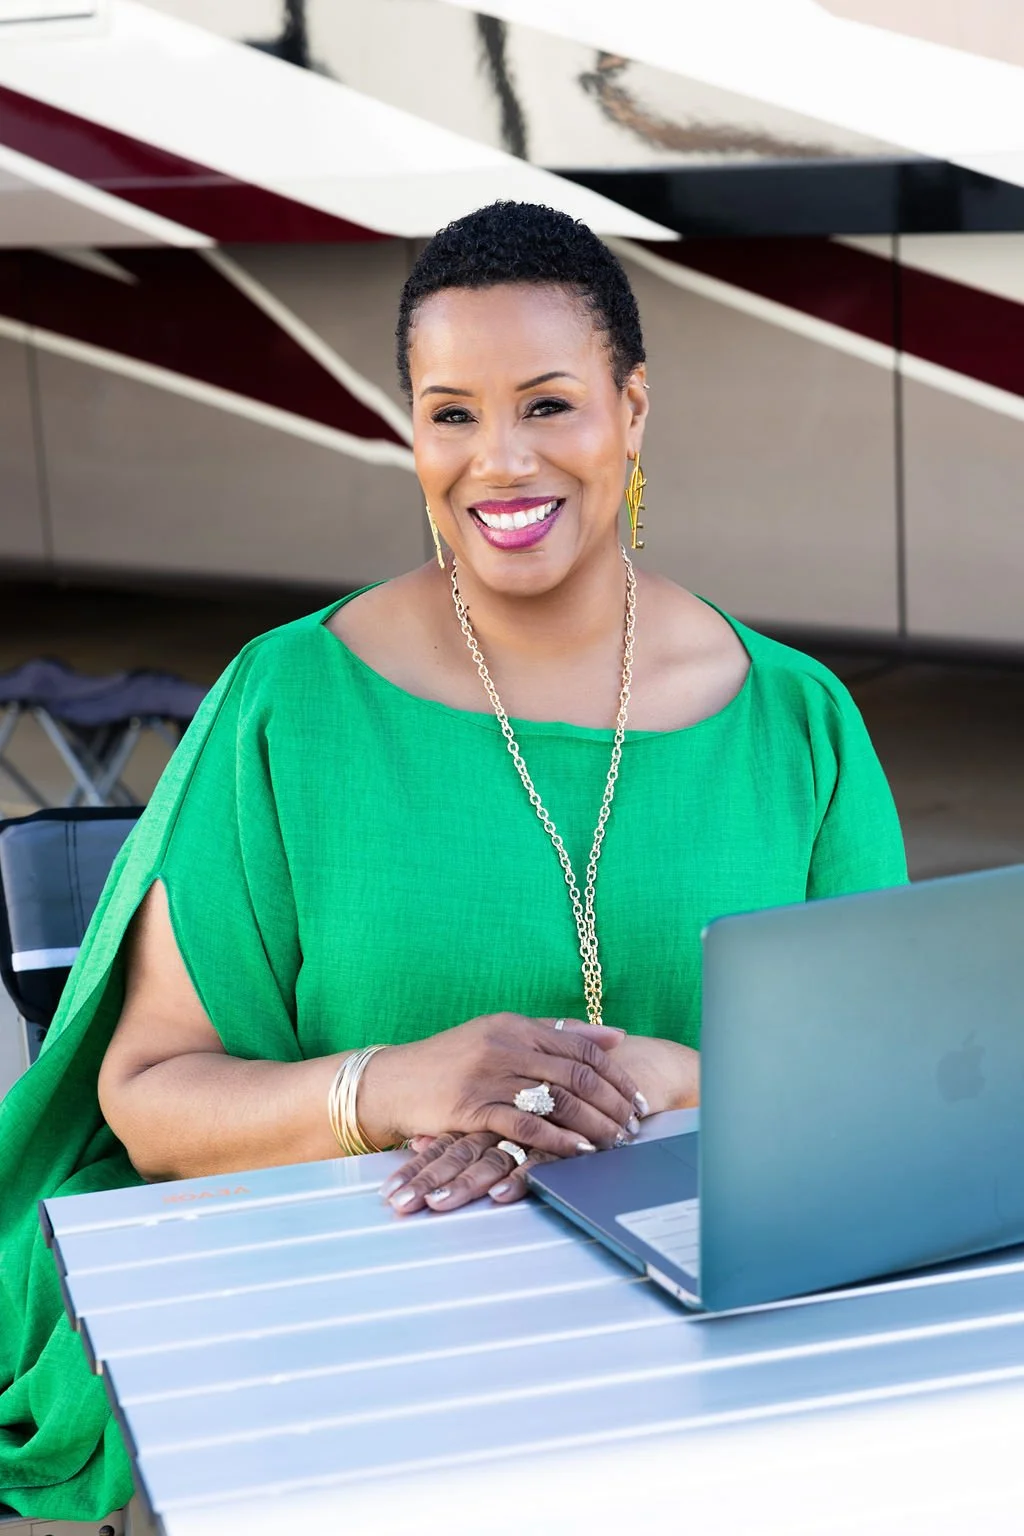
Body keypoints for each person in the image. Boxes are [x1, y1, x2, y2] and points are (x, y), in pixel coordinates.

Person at [0, 200, 906, 1521]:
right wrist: (394, 1088)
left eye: (550, 404)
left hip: (719, 1365)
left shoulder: (798, 721)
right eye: (452, 413)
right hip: (362, 1357)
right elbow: (148, 1096)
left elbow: (882, 1110)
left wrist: (676, 1088)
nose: (501, 462)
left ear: (633, 409)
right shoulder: (291, 705)